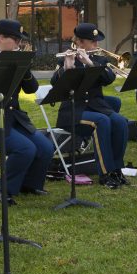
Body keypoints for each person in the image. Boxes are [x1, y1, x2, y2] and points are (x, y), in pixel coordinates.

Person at [0, 19, 54, 203]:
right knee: (26, 149)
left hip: (14, 119)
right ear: (1, 38)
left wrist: (24, 68)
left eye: (19, 40)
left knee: (46, 147)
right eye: (15, 39)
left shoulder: (18, 59)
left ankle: (29, 185)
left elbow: (31, 89)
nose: (19, 44)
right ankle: (6, 190)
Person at [51, 23, 129, 189]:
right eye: (92, 42)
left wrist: (90, 63)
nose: (96, 45)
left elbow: (108, 79)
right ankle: (105, 173)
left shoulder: (99, 59)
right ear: (79, 42)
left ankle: (117, 169)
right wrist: (68, 68)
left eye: (96, 41)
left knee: (121, 122)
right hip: (72, 112)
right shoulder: (64, 58)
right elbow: (56, 86)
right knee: (102, 122)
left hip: (96, 106)